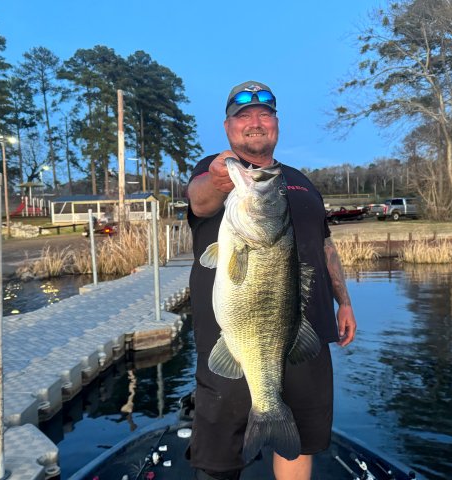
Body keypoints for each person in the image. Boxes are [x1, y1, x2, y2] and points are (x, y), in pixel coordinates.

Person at [186, 81, 357, 480]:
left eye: (264, 115)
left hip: (304, 334)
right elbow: (200, 199)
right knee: (218, 453)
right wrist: (216, 178)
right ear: (228, 127)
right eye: (243, 116)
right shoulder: (218, 169)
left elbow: (325, 245)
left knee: (300, 441)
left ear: (276, 125)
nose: (255, 123)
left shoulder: (299, 181)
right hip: (233, 334)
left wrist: (343, 301)